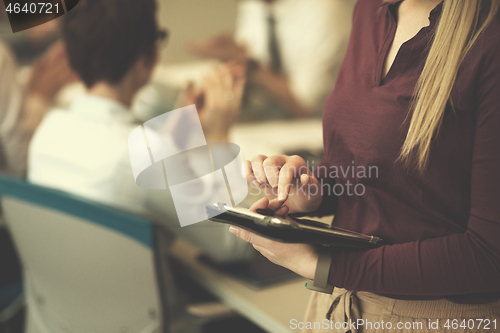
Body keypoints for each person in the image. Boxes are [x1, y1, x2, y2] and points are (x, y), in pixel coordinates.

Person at [229, 0, 500, 331]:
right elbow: (379, 170)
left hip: (436, 317)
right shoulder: (371, 9)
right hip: (340, 304)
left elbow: (489, 254)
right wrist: (315, 190)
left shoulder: (489, 36)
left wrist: (324, 264)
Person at [27, 0, 252, 263]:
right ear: (147, 58)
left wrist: (177, 135)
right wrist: (217, 137)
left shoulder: (48, 131)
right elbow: (235, 243)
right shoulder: (143, 153)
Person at [188, 0, 355, 120]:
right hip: (270, 122)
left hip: (316, 130)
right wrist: (231, 65)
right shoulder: (254, 6)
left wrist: (249, 65)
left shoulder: (324, 10)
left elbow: (306, 107)